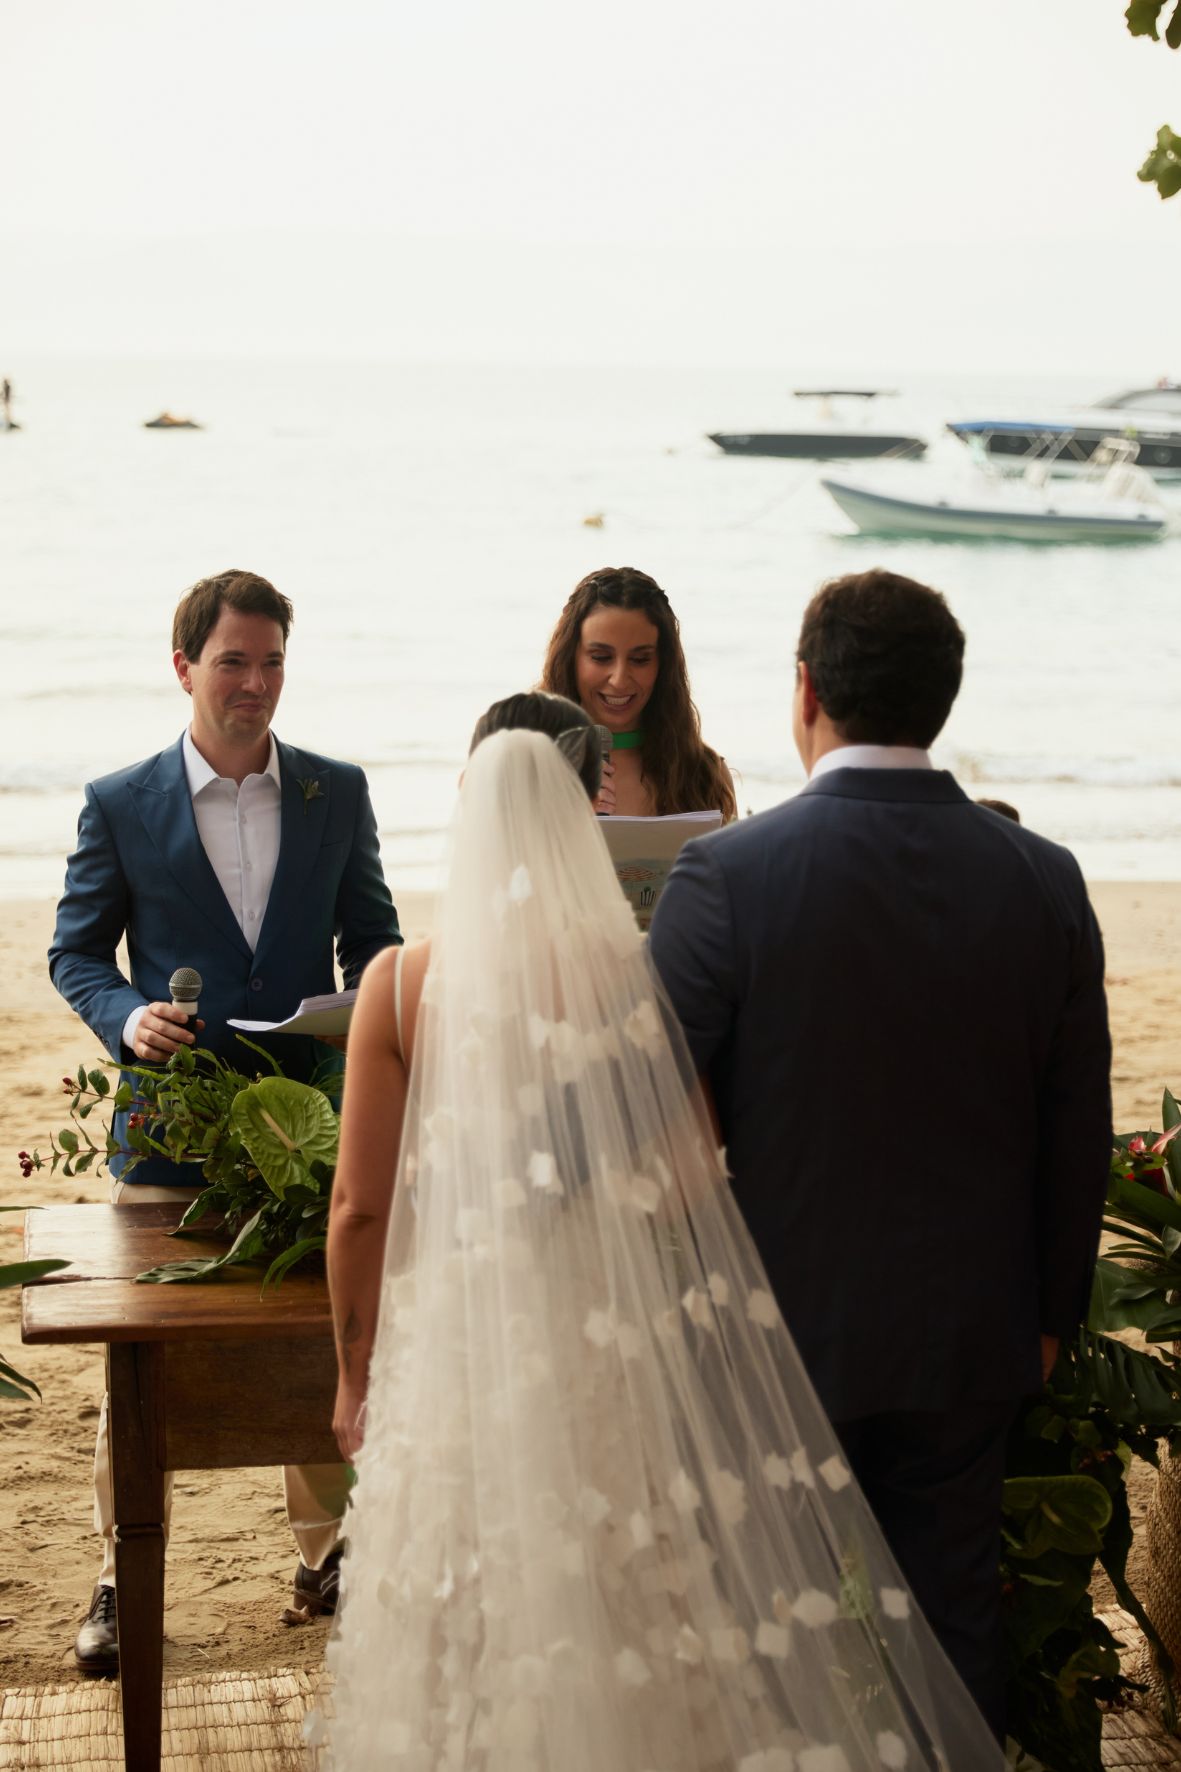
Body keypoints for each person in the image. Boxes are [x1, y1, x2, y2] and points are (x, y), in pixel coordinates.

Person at [315, 689, 1003, 1769]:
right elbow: (689, 1170)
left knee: (464, 1585)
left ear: (465, 793)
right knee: (623, 1582)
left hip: (457, 1342)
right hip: (601, 1337)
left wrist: (354, 1372)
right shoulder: (630, 971)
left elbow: (358, 1208)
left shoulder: (398, 983)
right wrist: (587, 1200)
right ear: (587, 806)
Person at [648, 567, 1112, 1741]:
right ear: (941, 697)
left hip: (781, 1326)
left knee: (773, 1628)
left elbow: (644, 1100)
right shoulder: (1042, 877)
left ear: (805, 690)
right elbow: (1076, 1124)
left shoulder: (727, 875)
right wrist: (1048, 1313)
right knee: (952, 1625)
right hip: (974, 1322)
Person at [48, 568, 400, 1675]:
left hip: (311, 1127)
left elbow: (375, 940)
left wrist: (360, 1011)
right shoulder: (120, 801)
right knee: (143, 1362)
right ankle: (118, 1576)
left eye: (272, 661)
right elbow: (74, 952)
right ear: (184, 666)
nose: (255, 683)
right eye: (233, 661)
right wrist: (126, 1015)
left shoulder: (337, 791)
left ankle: (327, 1555)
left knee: (318, 1339)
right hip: (172, 1132)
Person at [540, 566, 737, 820]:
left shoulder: (704, 775)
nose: (619, 680)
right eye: (600, 657)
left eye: (640, 659)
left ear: (663, 666)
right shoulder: (521, 764)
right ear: (570, 658)